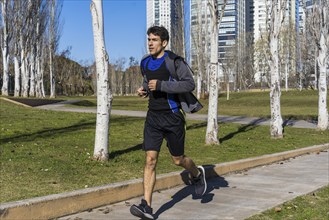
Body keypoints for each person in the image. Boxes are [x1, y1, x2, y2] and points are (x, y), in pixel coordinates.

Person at [129, 26, 207, 220]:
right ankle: (146, 205)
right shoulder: (145, 62)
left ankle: (197, 174)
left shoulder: (174, 61)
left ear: (164, 43)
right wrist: (145, 90)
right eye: (148, 39)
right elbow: (149, 82)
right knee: (150, 160)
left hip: (173, 117)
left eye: (154, 40)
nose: (150, 43)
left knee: (178, 160)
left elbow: (189, 84)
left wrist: (162, 85)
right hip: (153, 117)